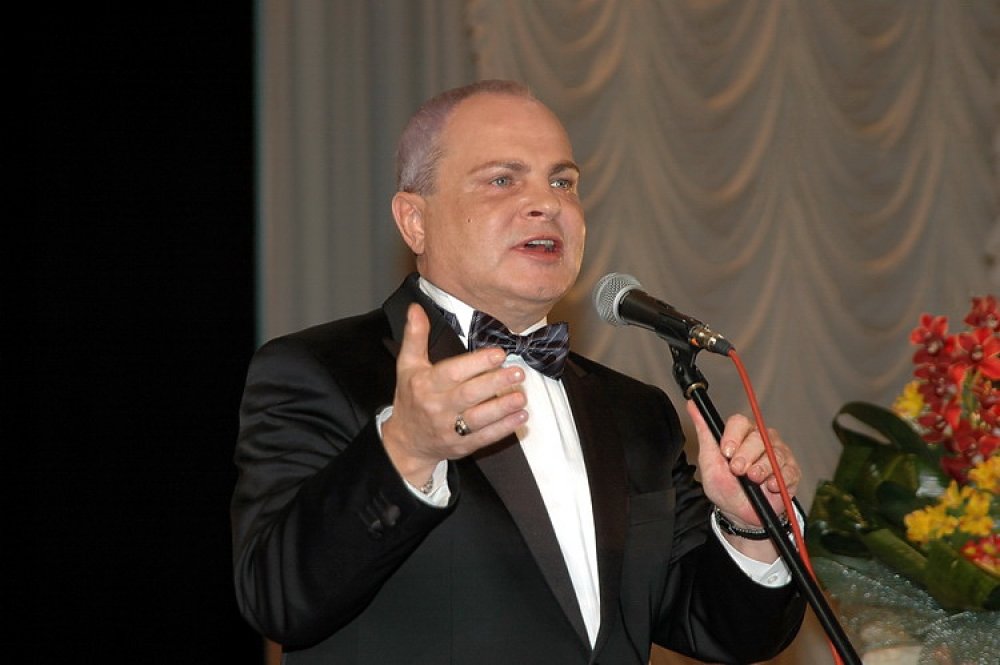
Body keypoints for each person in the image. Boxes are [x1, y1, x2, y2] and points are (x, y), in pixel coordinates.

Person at [231, 79, 806, 664]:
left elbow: (725, 630)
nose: (547, 204)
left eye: (563, 182)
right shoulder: (320, 370)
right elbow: (276, 599)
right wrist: (405, 450)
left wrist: (748, 526)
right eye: (502, 180)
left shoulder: (637, 412)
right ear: (414, 221)